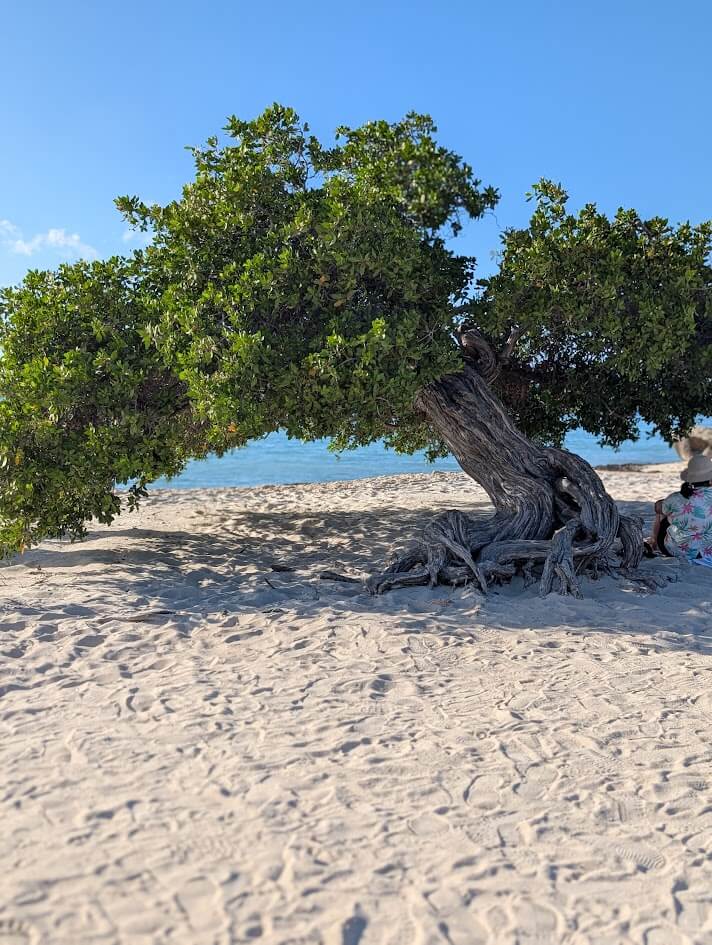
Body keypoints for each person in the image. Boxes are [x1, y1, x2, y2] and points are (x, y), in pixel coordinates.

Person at [646, 454, 712, 566]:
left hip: (676, 550)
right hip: (707, 551)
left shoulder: (675, 498)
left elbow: (657, 508)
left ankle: (654, 542)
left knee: (663, 513)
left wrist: (664, 502)